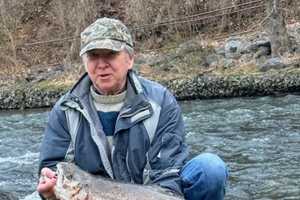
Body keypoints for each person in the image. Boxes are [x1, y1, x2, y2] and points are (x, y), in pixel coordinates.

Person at [37, 17, 228, 200]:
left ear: (130, 59)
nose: (102, 64)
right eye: (94, 55)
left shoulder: (161, 102)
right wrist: (49, 192)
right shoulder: (65, 109)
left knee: (210, 169)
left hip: (148, 194)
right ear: (85, 62)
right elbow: (51, 168)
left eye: (111, 54)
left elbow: (168, 174)